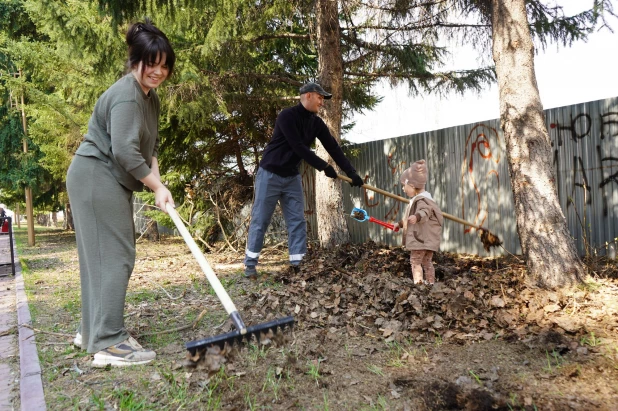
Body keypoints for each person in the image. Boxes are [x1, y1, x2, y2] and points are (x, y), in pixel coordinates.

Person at [66, 19, 175, 367]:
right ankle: (109, 343)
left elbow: (148, 149)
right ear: (135, 62)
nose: (157, 72)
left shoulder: (150, 98)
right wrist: (155, 185)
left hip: (103, 178)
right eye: (151, 64)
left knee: (100, 258)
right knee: (116, 256)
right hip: (96, 176)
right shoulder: (128, 96)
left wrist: (160, 186)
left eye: (164, 66)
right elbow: (125, 152)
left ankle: (92, 330)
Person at [244, 82, 364, 278]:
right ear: (308, 95)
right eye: (320, 98)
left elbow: (333, 148)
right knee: (261, 220)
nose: (322, 103)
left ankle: (298, 264)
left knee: (297, 221)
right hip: (270, 174)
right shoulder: (287, 116)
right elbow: (298, 147)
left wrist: (351, 172)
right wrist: (324, 167)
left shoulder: (316, 123)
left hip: (292, 177)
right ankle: (250, 265)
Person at [397, 160, 443, 285]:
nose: (403, 188)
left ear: (411, 185)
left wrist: (417, 217)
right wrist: (400, 224)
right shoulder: (426, 199)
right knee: (427, 262)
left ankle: (419, 285)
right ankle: (430, 283)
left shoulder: (422, 200)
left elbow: (424, 212)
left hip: (420, 240)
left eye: (403, 185)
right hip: (427, 240)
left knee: (415, 262)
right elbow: (409, 218)